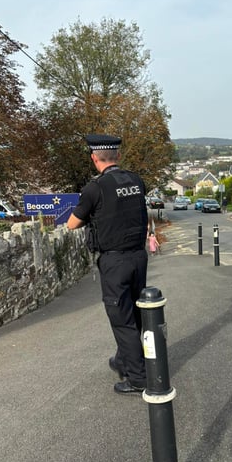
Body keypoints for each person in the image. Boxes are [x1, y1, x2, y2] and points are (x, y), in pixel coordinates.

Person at [67, 134, 148, 395]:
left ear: (94, 158)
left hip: (115, 261)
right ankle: (124, 359)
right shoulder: (136, 181)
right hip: (139, 257)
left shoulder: (95, 188)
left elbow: (72, 223)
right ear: (118, 157)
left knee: (122, 319)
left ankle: (137, 379)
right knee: (135, 314)